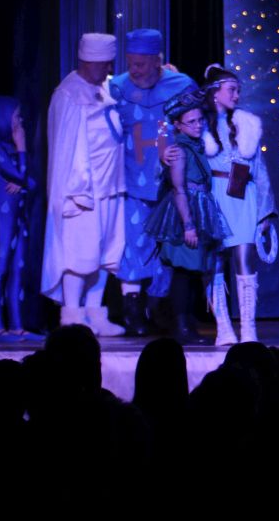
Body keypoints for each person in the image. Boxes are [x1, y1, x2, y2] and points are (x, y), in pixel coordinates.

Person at [108, 28, 197, 335]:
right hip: (131, 179)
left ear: (157, 61)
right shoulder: (117, 87)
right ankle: (132, 311)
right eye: (131, 62)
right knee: (134, 243)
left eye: (141, 64)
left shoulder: (181, 85)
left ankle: (161, 308)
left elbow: (195, 127)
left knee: (170, 246)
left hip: (171, 182)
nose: (134, 70)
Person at [41, 33, 126, 335]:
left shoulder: (102, 89)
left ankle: (95, 312)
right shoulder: (69, 94)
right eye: (104, 65)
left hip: (110, 185)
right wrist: (76, 189)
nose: (108, 70)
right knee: (79, 252)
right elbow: (68, 148)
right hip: (81, 191)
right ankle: (72, 314)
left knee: (104, 253)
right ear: (88, 62)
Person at [144, 89, 231, 343]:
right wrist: (188, 225)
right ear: (178, 125)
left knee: (193, 271)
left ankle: (187, 323)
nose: (197, 125)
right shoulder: (180, 150)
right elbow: (179, 188)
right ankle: (180, 326)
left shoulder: (197, 146)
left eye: (199, 120)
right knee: (183, 271)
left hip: (199, 208)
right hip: (185, 213)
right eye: (191, 122)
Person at [201, 64, 277, 345]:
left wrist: (265, 211)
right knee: (215, 261)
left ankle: (248, 328)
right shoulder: (199, 125)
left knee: (245, 257)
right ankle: (223, 327)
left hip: (243, 196)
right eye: (231, 89)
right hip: (214, 196)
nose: (236, 95)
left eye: (238, 90)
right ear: (214, 92)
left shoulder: (246, 124)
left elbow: (260, 170)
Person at [0, 96, 38, 339]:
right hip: (2, 215)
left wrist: (22, 179)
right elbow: (20, 175)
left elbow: (31, 182)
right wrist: (22, 149)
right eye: (16, 117)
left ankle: (17, 325)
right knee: (0, 264)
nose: (20, 122)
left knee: (18, 267)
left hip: (18, 215)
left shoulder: (9, 149)